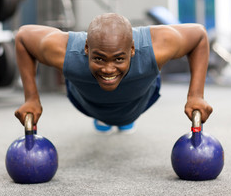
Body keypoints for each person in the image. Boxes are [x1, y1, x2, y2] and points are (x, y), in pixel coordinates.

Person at [14, 13, 213, 133]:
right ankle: (105, 117)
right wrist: (31, 98)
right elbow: (23, 37)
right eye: (99, 58)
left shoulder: (156, 47)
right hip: (87, 101)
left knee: (123, 95)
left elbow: (199, 35)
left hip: (140, 99)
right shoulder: (65, 52)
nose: (108, 69)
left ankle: (125, 118)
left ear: (133, 50)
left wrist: (196, 96)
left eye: (119, 59)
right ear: (86, 49)